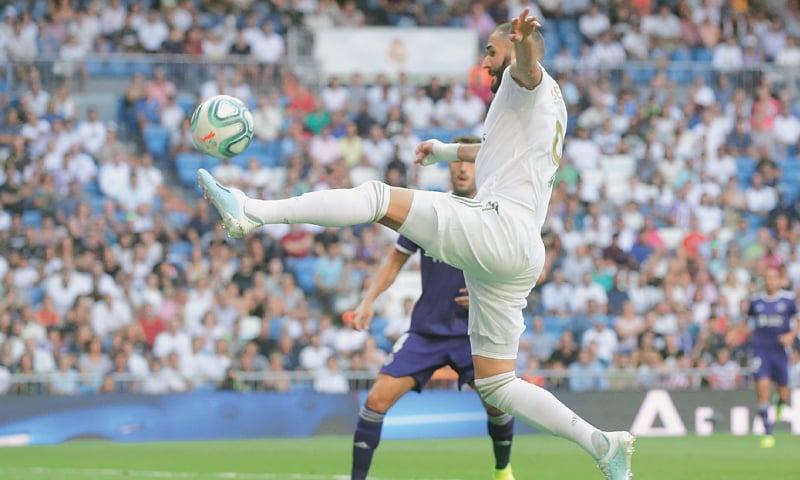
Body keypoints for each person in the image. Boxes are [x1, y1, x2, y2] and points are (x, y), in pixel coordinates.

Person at [199, 9, 634, 479]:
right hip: (520, 249)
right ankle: (602, 444)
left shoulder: (524, 78)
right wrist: (446, 151)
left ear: (511, 47)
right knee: (498, 383)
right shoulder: (547, 106)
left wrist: (523, 45)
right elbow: (489, 148)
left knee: (377, 196)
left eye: (491, 51)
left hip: (498, 226)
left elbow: (526, 68)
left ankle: (254, 213)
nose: (485, 63)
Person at [348, 136, 516, 480]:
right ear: (449, 169)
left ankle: (502, 470)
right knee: (376, 401)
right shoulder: (432, 211)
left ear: (481, 167)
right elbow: (395, 260)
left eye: (469, 163)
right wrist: (368, 301)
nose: (462, 169)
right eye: (457, 164)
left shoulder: (496, 215)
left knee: (497, 405)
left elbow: (524, 270)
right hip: (426, 332)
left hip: (475, 332)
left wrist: (490, 296)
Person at [746, 267, 800, 448]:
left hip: (779, 352)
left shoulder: (788, 300)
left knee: (784, 392)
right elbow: (747, 322)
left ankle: (781, 404)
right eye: (767, 277)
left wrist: (791, 336)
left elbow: (798, 320)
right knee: (762, 389)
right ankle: (768, 431)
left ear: (779, 280)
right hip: (761, 350)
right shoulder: (756, 301)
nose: (770, 281)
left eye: (773, 277)